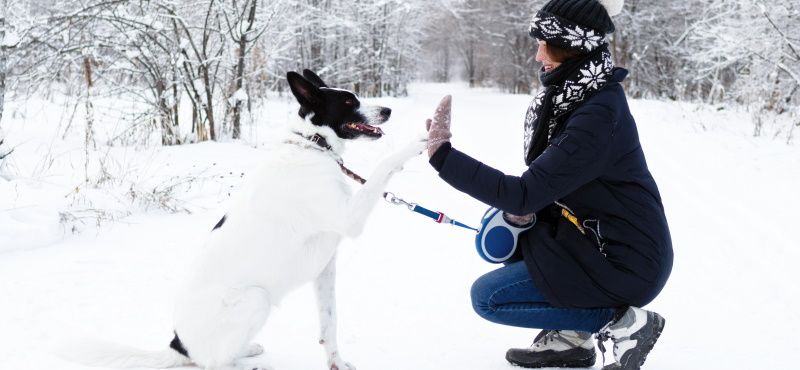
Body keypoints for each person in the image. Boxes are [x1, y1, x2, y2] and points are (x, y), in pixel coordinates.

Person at [423, 0, 673, 369]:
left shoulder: (598, 115)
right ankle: (571, 340)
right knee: (518, 240)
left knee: (488, 298)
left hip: (625, 261)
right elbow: (544, 191)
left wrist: (443, 156)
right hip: (592, 240)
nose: (538, 54)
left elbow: (524, 193)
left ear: (575, 49)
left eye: (547, 44)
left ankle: (623, 322)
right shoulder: (576, 98)